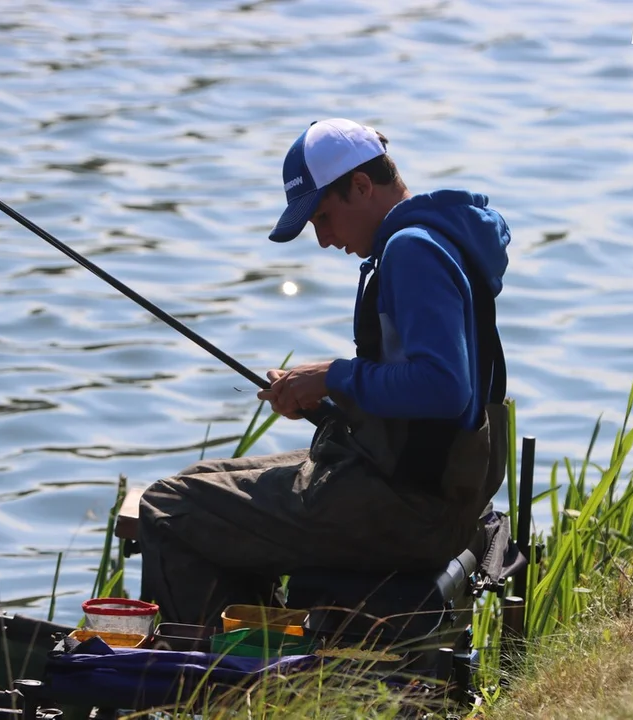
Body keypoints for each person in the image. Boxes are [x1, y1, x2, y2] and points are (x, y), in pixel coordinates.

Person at [139, 118, 511, 626]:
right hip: (420, 488)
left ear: (361, 185)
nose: (323, 239)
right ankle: (263, 654)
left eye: (323, 218)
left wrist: (335, 376)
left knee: (169, 506)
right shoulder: (435, 240)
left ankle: (207, 686)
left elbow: (446, 389)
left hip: (412, 508)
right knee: (195, 482)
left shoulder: (411, 251)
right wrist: (331, 397)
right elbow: (431, 402)